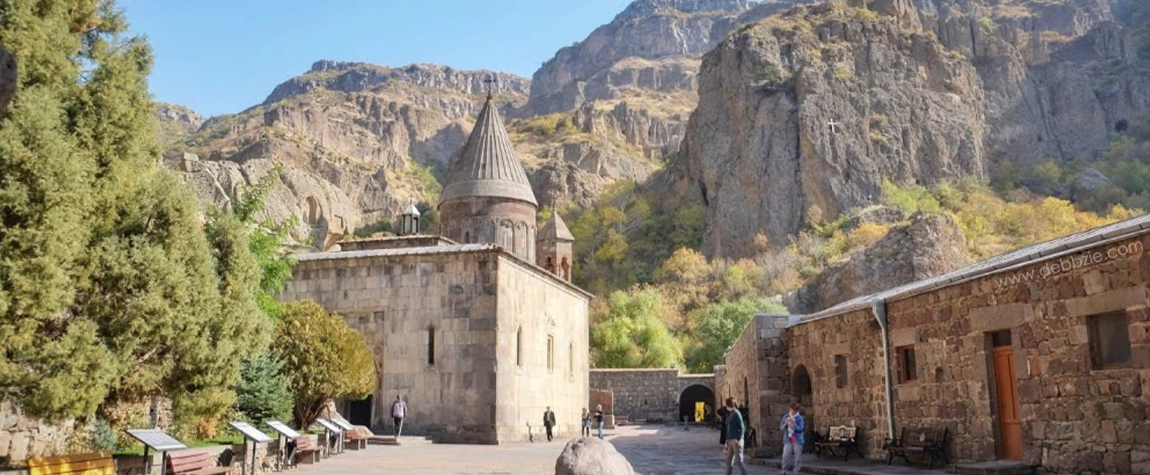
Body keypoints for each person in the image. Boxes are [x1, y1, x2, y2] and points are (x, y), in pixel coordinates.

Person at [722, 397, 748, 475]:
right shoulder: (731, 414)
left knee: (739, 460)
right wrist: (726, 441)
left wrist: (738, 438)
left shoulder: (737, 413)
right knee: (729, 460)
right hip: (730, 440)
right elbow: (729, 428)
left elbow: (742, 427)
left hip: (736, 440)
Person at [779, 402, 805, 474]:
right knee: (785, 455)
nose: (792, 411)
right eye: (791, 409)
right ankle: (784, 471)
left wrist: (794, 425)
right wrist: (786, 424)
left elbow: (801, 429)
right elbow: (781, 427)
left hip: (797, 439)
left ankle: (796, 471)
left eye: (793, 410)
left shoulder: (800, 418)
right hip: (788, 438)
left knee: (797, 456)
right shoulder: (786, 416)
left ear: (796, 411)